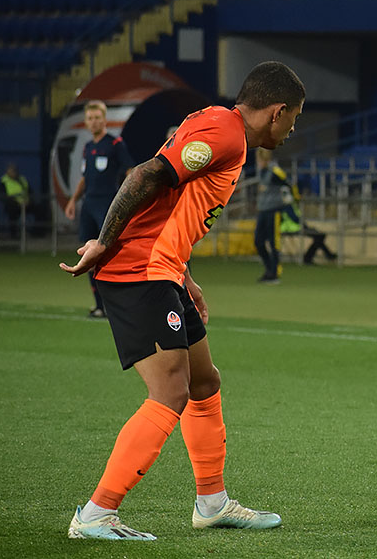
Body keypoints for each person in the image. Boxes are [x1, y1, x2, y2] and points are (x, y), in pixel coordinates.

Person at [59, 60, 305, 541]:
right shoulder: (226, 135)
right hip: (141, 269)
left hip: (165, 269)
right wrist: (106, 242)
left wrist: (184, 274)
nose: (293, 129)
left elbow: (173, 204)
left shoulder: (220, 125)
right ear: (277, 112)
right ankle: (96, 513)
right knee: (170, 391)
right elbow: (145, 175)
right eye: (293, 118)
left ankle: (212, 503)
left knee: (204, 381)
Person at [64, 100, 136, 318]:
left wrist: (128, 198)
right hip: (89, 205)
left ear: (104, 120)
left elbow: (130, 171)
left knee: (108, 254)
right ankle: (99, 305)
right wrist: (73, 200)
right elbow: (85, 178)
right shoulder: (88, 147)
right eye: (90, 118)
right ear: (86, 122)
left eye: (97, 118)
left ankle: (118, 303)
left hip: (107, 205)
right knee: (88, 253)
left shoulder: (115, 144)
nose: (93, 122)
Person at [254, 148, 290, 284]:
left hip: (274, 211)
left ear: (266, 159)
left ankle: (274, 273)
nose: (258, 163)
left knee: (274, 242)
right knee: (258, 241)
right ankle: (269, 268)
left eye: (260, 160)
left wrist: (289, 200)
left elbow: (289, 184)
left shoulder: (275, 172)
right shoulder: (262, 172)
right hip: (262, 210)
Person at [279, 187, 337, 265]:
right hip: (293, 228)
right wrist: (304, 226)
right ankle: (309, 258)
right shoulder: (287, 205)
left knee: (318, 235)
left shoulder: (281, 205)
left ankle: (327, 255)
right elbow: (295, 219)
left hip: (291, 228)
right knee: (319, 236)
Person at [0, 162, 30, 239]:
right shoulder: (3, 182)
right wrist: (17, 203)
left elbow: (30, 192)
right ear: (7, 172)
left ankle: (39, 232)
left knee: (40, 208)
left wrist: (28, 201)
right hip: (13, 205)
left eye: (15, 170)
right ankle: (13, 234)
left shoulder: (22, 179)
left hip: (26, 203)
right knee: (12, 211)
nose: (14, 172)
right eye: (12, 171)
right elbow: (3, 197)